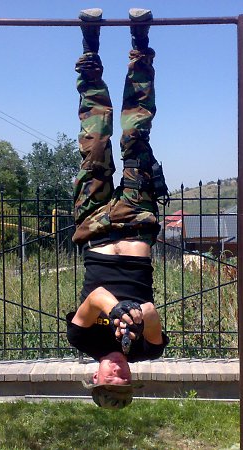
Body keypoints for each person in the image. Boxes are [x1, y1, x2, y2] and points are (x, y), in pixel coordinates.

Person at [66, 7, 170, 409]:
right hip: (138, 221)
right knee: (135, 136)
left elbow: (95, 299)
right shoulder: (146, 350)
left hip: (94, 225)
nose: (119, 374)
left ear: (95, 377)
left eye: (111, 380)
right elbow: (152, 312)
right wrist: (137, 316)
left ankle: (90, 45)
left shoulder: (83, 339)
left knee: (95, 144)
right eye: (125, 381)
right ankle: (140, 44)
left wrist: (118, 309)